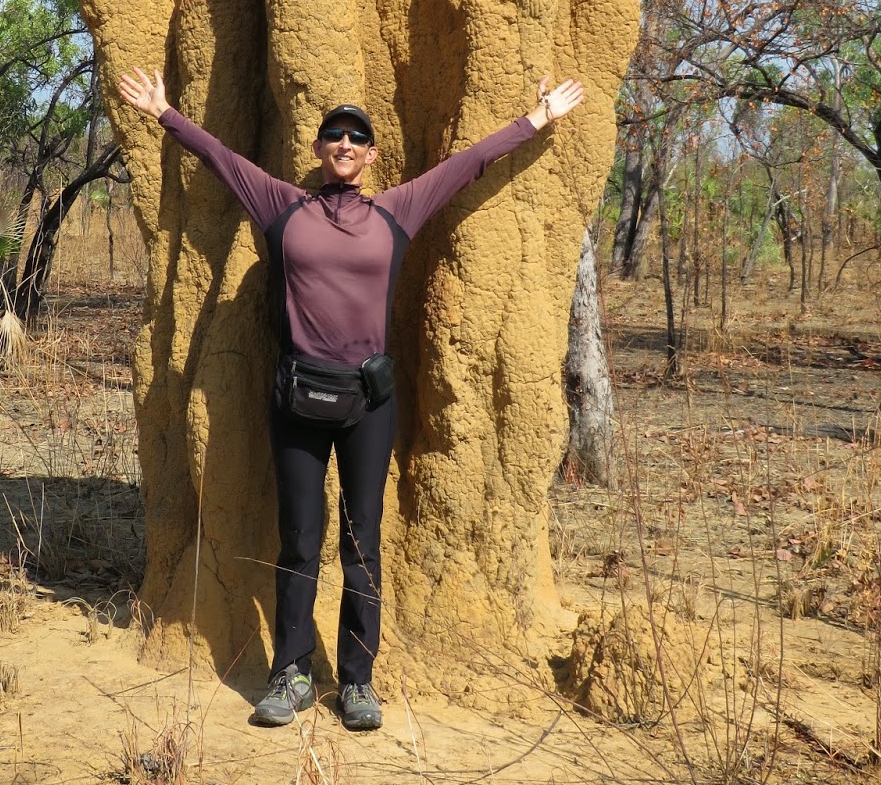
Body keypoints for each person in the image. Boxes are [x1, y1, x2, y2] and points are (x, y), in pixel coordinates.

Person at [117, 66, 584, 731]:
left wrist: (537, 119)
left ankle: (358, 681)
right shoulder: (282, 207)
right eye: (334, 134)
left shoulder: (397, 211)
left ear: (371, 155)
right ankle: (291, 673)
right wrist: (165, 112)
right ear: (317, 150)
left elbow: (469, 164)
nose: (344, 143)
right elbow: (222, 160)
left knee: (362, 543)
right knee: (300, 540)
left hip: (368, 403)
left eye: (356, 137)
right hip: (298, 400)